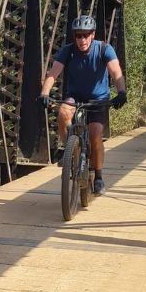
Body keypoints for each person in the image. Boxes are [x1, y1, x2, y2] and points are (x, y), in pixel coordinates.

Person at [38, 14, 126, 196]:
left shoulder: (104, 49)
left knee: (95, 133)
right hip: (75, 96)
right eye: (78, 35)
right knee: (63, 112)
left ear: (93, 34)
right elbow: (53, 73)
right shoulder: (68, 51)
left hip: (98, 99)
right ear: (74, 36)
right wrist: (44, 93)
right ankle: (69, 150)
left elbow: (115, 71)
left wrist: (121, 92)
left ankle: (99, 176)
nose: (82, 39)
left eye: (86, 35)